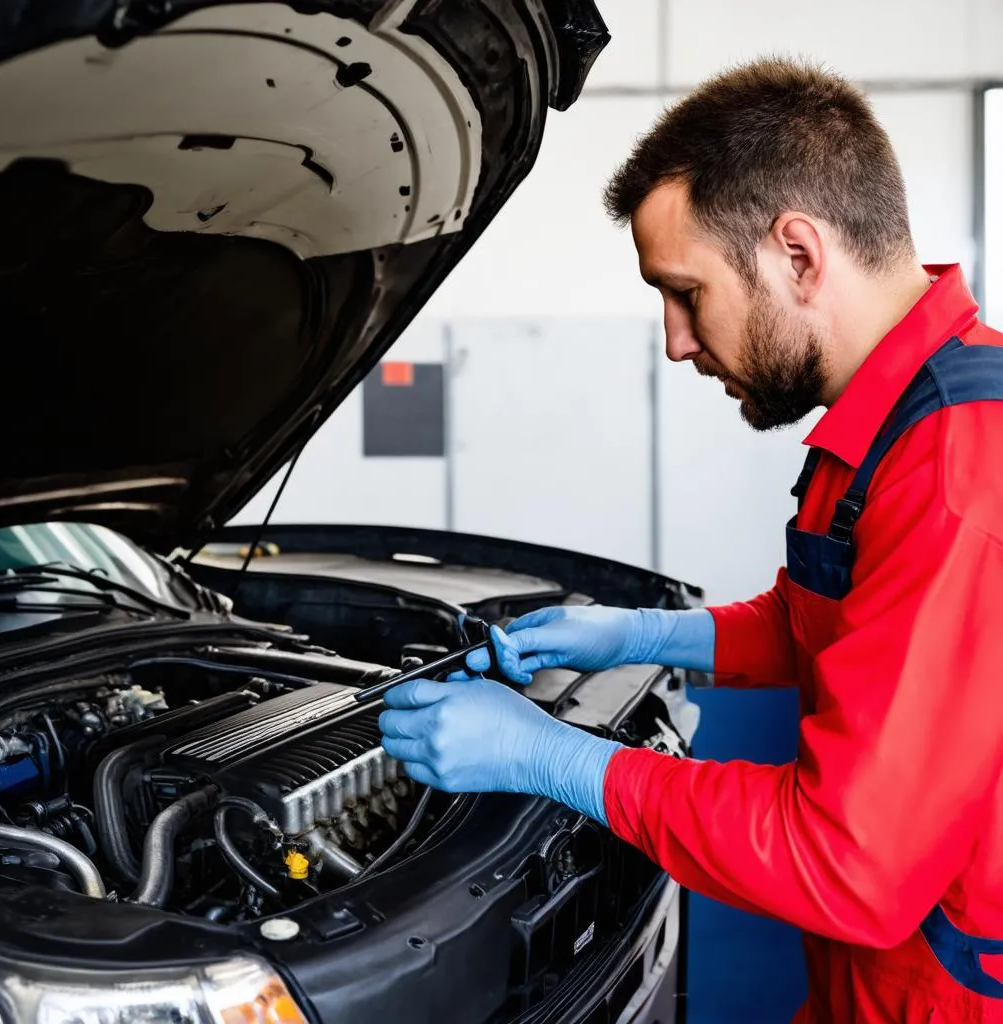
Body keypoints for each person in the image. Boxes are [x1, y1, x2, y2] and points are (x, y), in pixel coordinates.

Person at [377, 56, 1003, 1021]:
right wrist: (635, 635)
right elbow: (824, 624)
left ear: (798, 254)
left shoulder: (961, 469)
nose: (676, 340)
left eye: (686, 292)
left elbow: (846, 865)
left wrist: (563, 761)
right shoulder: (891, 427)